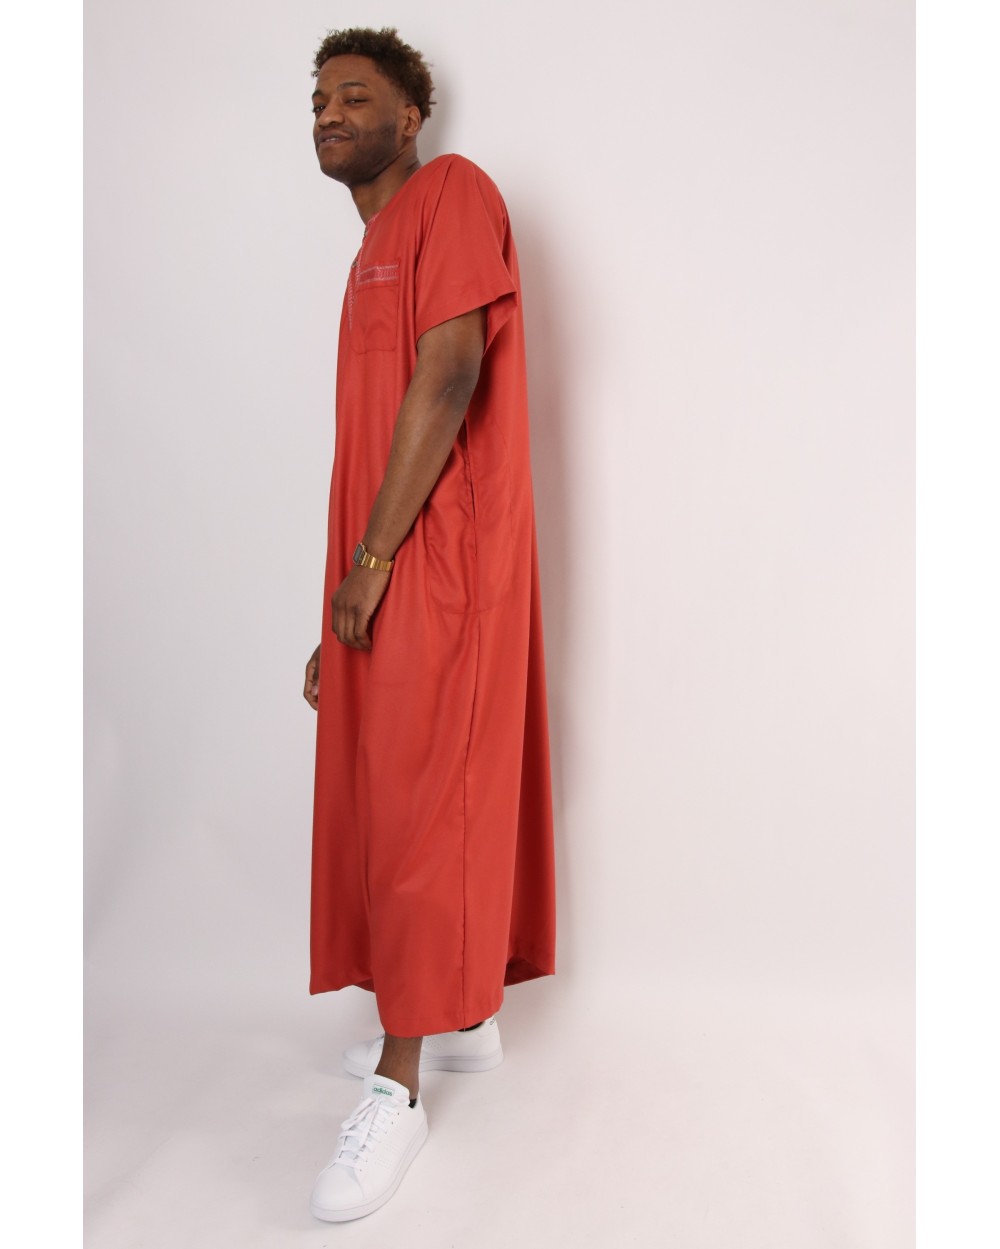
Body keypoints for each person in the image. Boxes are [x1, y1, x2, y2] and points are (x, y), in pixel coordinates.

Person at [301, 26, 556, 1222]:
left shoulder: (451, 193)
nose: (328, 113)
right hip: (388, 565)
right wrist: (343, 602)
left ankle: (397, 1091)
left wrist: (374, 560)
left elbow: (450, 376)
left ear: (412, 118)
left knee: (416, 806)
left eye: (355, 95)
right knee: (386, 796)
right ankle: (461, 1022)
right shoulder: (368, 253)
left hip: (434, 565)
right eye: (317, 100)